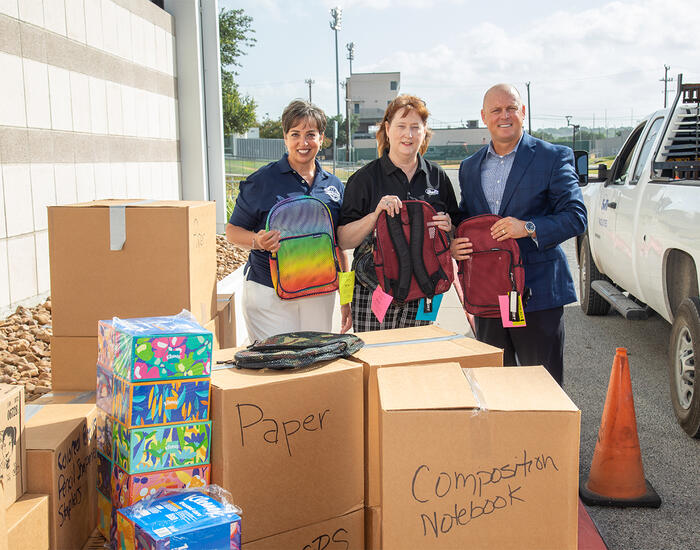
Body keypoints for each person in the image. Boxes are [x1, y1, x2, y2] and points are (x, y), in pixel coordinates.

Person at [450, 83, 587, 385]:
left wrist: (527, 228)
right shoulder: (470, 167)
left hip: (536, 293)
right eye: (496, 110)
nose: (504, 115)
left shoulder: (552, 157)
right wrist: (453, 241)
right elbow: (467, 216)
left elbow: (576, 217)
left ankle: (547, 434)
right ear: (484, 116)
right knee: (495, 382)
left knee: (542, 385)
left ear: (523, 112)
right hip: (489, 294)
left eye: (511, 108)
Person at [226, 100, 350, 342]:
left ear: (322, 138)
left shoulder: (333, 185)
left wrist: (346, 297)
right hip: (268, 292)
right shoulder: (262, 180)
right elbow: (232, 231)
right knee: (277, 366)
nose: (303, 143)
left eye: (310, 135)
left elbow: (339, 245)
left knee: (314, 362)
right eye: (295, 134)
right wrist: (257, 240)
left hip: (319, 292)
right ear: (285, 137)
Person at [338, 94, 459, 331]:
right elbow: (343, 240)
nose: (409, 134)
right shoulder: (365, 179)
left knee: (414, 360)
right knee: (376, 360)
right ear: (387, 129)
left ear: (425, 131)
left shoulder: (437, 177)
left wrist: (449, 227)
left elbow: (455, 232)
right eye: (401, 126)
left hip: (425, 289)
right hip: (374, 287)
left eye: (416, 127)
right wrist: (375, 216)